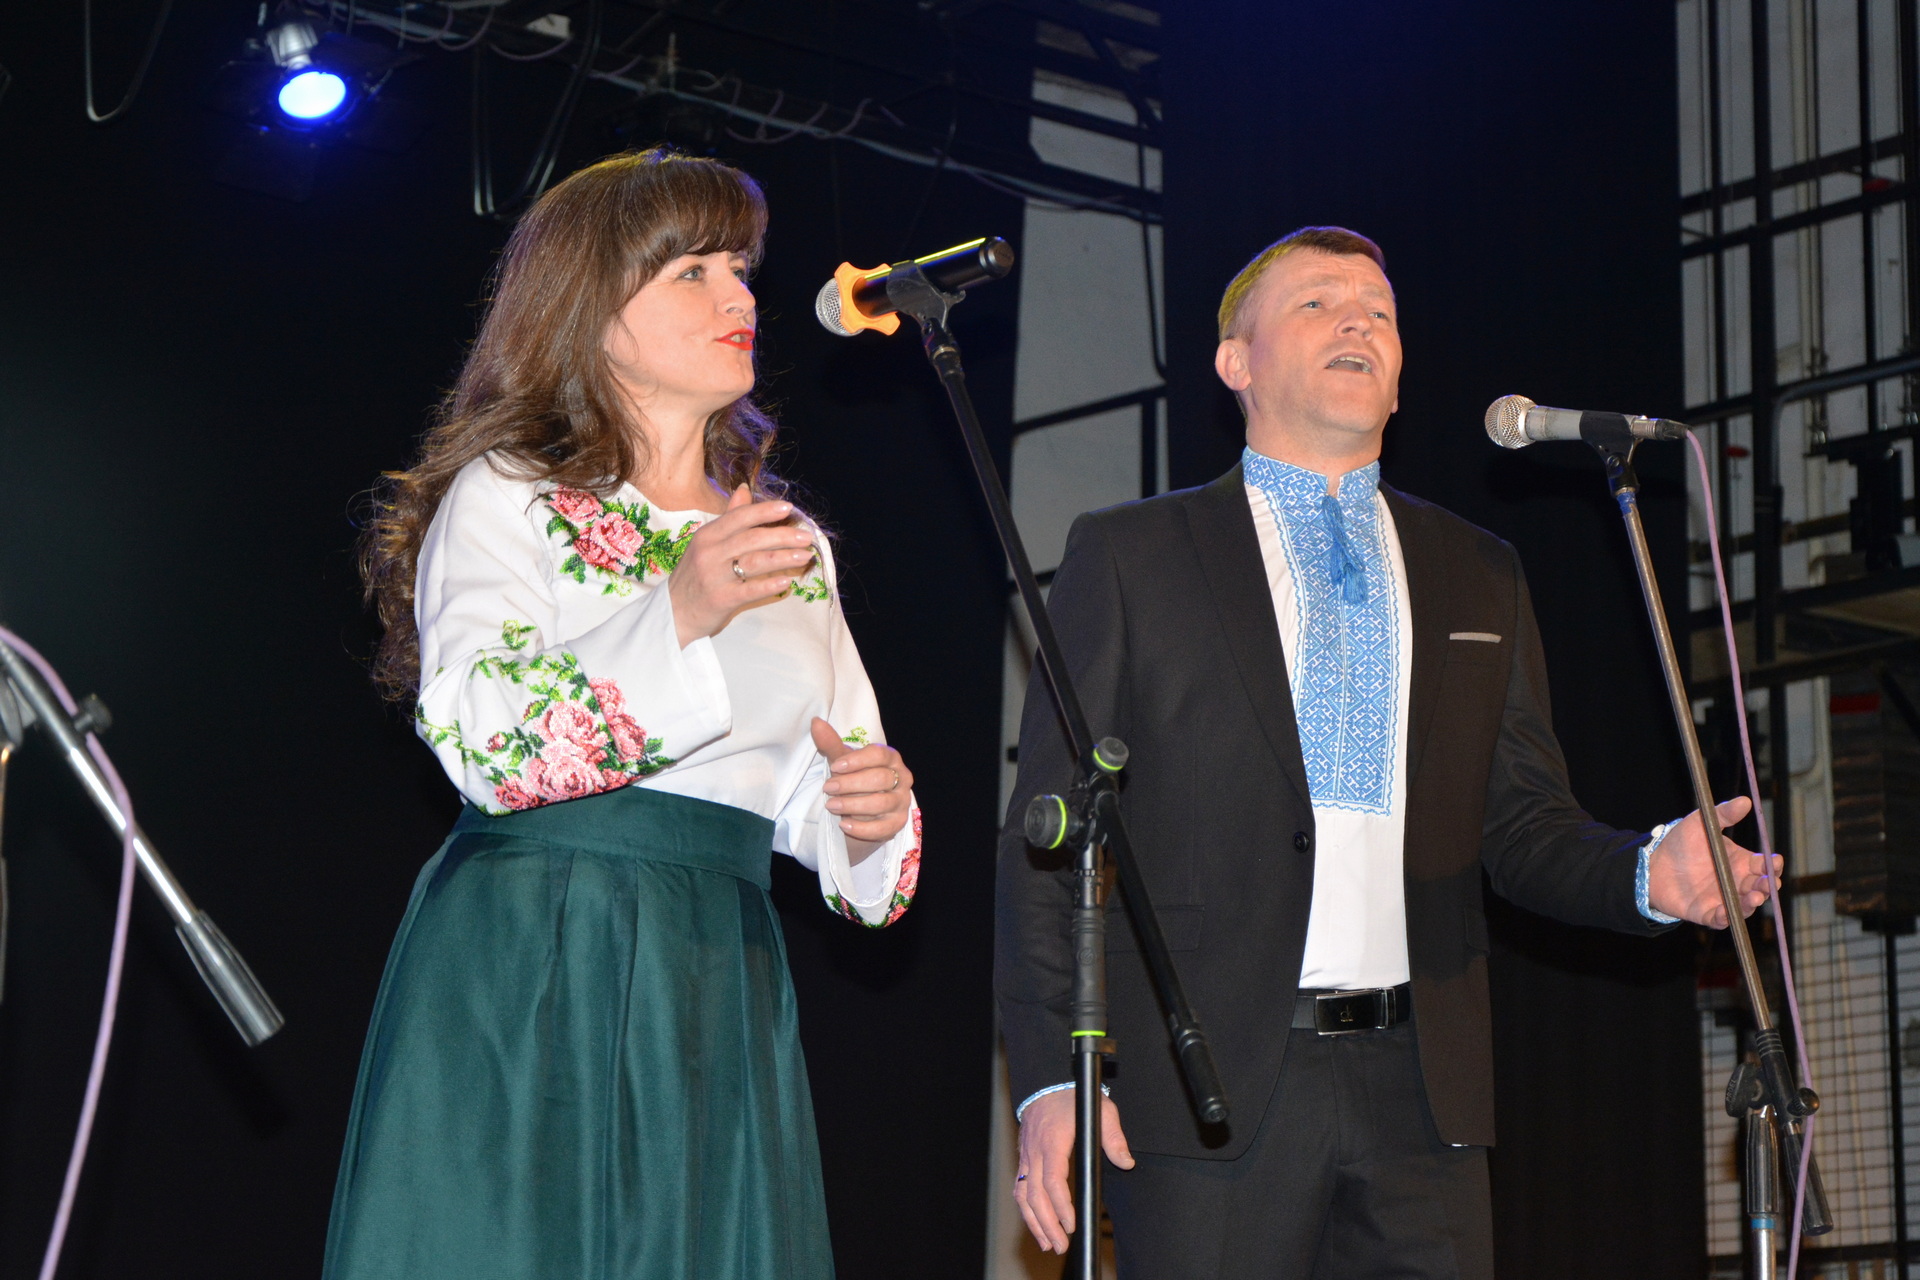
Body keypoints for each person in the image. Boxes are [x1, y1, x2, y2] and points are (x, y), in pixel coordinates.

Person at [995, 226, 1775, 1279]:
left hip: (1422, 1095)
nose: (1358, 322)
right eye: (1318, 303)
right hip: (1208, 1088)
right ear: (1236, 361)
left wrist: (1646, 872)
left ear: (1401, 379)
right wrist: (1052, 1080)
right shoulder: (1134, 555)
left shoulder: (1477, 570)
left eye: (1380, 312)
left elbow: (1524, 823)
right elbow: (1044, 840)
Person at [326, 148, 923, 1280]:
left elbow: (826, 781)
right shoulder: (512, 494)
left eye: (739, 267)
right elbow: (482, 736)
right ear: (591, 313)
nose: (738, 294)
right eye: (692, 270)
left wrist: (867, 810)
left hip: (718, 966)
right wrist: (677, 611)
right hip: (540, 946)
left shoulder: (789, 544)